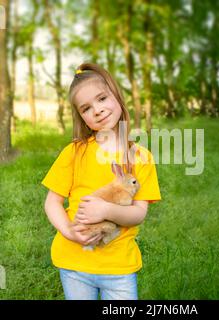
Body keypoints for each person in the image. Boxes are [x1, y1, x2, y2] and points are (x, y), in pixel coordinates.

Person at [41, 63, 161, 300]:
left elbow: (139, 213)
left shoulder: (141, 157)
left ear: (116, 95)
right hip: (74, 263)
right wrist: (69, 232)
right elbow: (52, 203)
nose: (97, 110)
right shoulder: (74, 152)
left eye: (102, 98)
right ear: (83, 118)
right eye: (86, 108)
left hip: (118, 267)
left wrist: (106, 209)